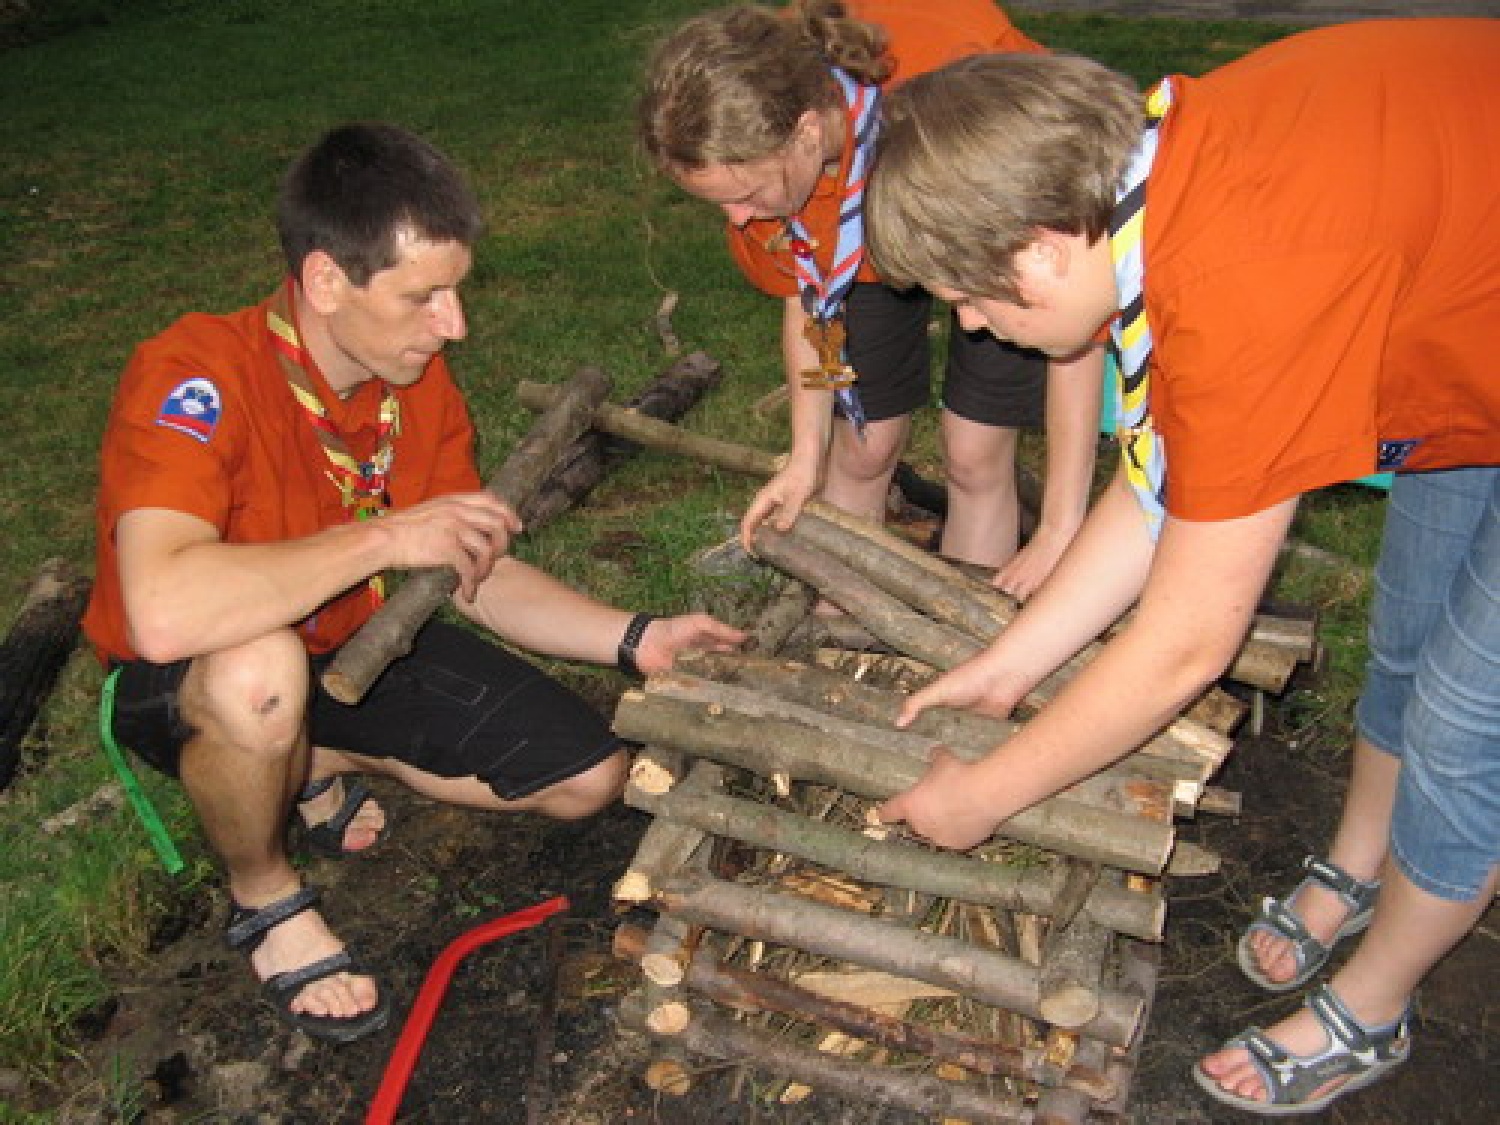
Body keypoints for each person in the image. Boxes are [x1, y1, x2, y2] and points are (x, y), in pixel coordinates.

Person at [860, 22, 1500, 1116]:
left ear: (1041, 249)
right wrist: (1010, 666)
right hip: (1464, 327)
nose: (970, 325)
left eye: (968, 297)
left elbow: (1187, 642)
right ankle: (1358, 868)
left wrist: (985, 796)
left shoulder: (1244, 273)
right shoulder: (1157, 172)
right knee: (1408, 632)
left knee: (1464, 722)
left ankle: (1376, 1005)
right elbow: (1163, 483)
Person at [81, 122, 745, 1044]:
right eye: (423, 297)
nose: (454, 325)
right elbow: (161, 611)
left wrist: (636, 637)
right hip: (193, 679)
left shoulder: (415, 382)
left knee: (588, 778)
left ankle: (314, 756)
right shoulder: (196, 373)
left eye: (456, 293)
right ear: (324, 281)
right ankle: (266, 895)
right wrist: (387, 535)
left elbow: (474, 573)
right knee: (257, 670)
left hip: (351, 649)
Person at [637, 0, 1102, 600]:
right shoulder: (769, 164)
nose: (737, 218)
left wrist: (1062, 525)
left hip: (992, 222)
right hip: (861, 241)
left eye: (748, 194)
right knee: (861, 448)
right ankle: (842, 631)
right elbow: (809, 300)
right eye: (721, 202)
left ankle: (963, 628)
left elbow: (1078, 327)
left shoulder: (974, 112)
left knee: (974, 452)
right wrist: (806, 455)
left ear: (807, 131)